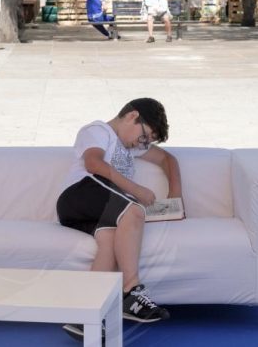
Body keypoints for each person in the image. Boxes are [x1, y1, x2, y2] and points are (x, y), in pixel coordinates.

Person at [57, 98, 181, 340]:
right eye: (145, 136)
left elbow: (169, 160)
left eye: (148, 142)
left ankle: (85, 317)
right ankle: (130, 291)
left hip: (95, 208)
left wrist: (176, 199)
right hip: (78, 194)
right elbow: (93, 164)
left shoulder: (131, 146)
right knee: (134, 211)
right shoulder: (99, 131)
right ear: (132, 116)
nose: (142, 143)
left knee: (111, 241)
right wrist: (135, 190)